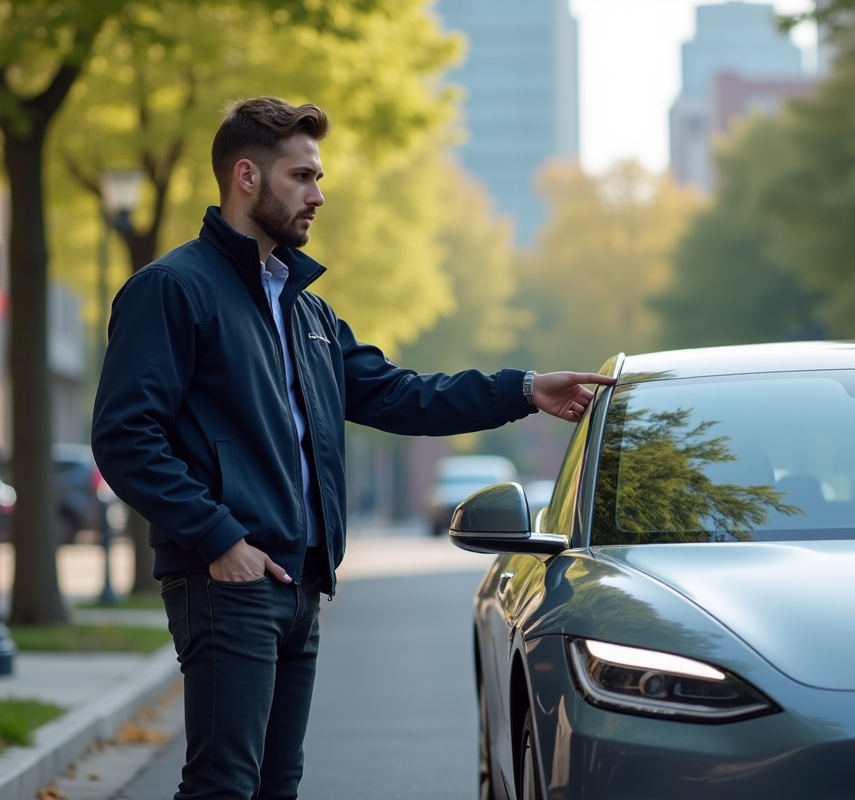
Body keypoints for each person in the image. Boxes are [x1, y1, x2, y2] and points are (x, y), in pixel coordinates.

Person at [91, 96, 613, 800]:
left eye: (318, 177)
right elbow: (125, 437)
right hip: (228, 580)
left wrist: (521, 389)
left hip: (300, 583)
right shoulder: (172, 290)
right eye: (302, 177)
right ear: (247, 177)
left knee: (277, 785)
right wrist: (220, 540)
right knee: (223, 785)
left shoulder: (305, 310)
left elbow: (402, 394)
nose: (319, 195)